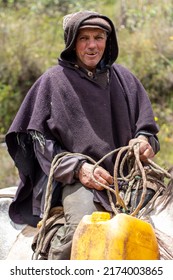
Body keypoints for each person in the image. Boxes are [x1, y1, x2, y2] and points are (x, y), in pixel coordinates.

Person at [5, 10, 160, 259]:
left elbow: (147, 130)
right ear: (72, 42)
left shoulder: (125, 80)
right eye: (83, 38)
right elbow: (40, 144)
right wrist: (79, 169)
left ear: (108, 41)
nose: (92, 45)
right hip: (77, 180)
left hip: (125, 180)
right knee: (83, 229)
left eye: (98, 37)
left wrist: (144, 142)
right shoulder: (54, 81)